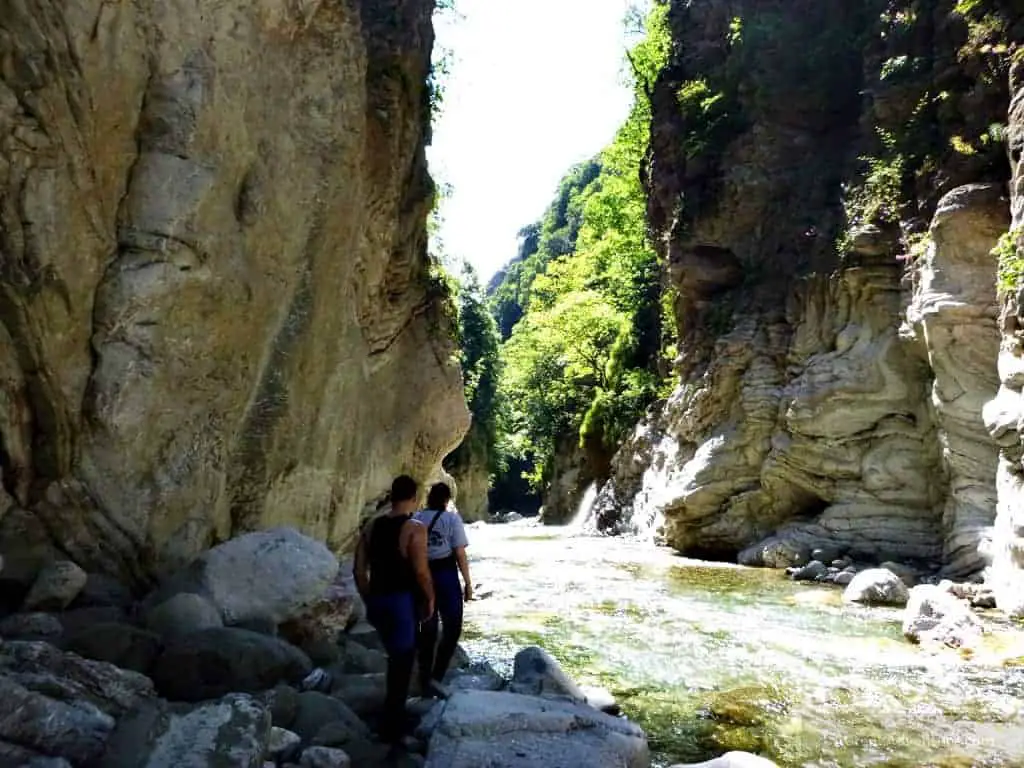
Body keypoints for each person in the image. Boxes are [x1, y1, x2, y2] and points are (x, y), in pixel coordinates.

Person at [353, 475, 435, 741]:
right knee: (403, 662)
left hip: (377, 600)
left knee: (393, 657)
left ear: (391, 496)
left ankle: (390, 717)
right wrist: (431, 598)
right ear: (414, 498)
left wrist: (369, 599)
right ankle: (392, 728)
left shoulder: (371, 527)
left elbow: (358, 571)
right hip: (401, 602)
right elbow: (422, 573)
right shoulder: (415, 527)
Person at [413, 482, 472, 697]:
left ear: (429, 497)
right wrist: (468, 583)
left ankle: (424, 676)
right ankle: (436, 677)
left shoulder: (416, 518)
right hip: (445, 575)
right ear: (447, 500)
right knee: (452, 627)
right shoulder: (451, 519)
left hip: (420, 575)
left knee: (426, 627)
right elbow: (459, 553)